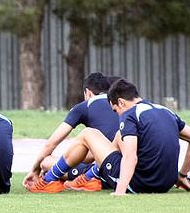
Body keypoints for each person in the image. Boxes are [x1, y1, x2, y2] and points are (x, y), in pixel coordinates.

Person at [26, 79, 190, 195]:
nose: (117, 115)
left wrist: (120, 192)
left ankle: (48, 180)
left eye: (115, 110)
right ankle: (90, 177)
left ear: (121, 102)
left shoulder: (130, 115)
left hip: (139, 184)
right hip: (166, 183)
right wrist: (182, 175)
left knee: (87, 134)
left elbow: (130, 157)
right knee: (120, 136)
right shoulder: (165, 111)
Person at [28, 72, 118, 186]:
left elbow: (51, 144)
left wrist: (35, 170)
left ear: (88, 92)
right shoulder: (118, 104)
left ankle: (55, 180)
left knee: (46, 163)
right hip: (122, 165)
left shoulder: (84, 107)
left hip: (105, 170)